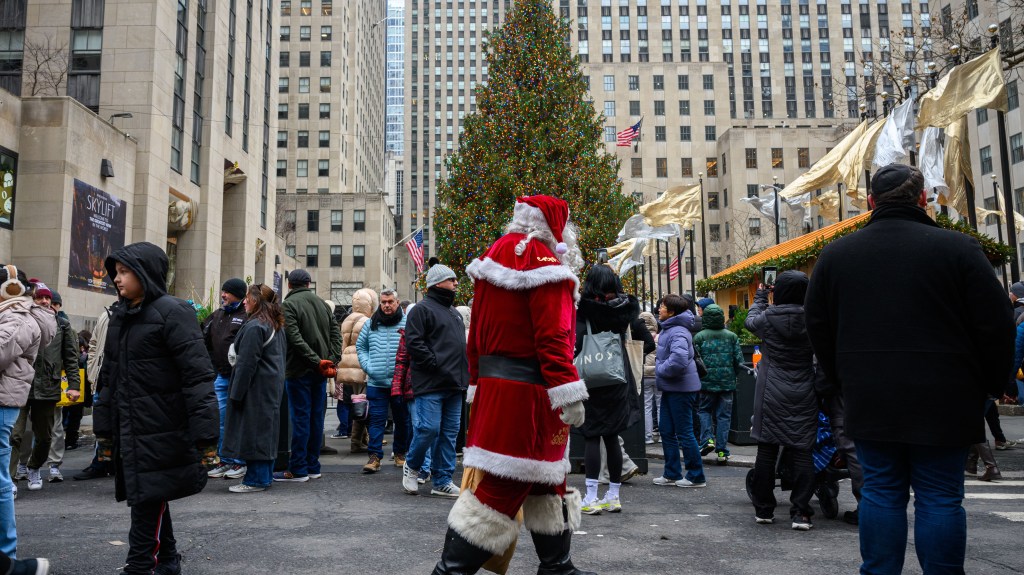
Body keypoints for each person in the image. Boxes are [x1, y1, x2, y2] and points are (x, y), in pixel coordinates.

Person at [805, 164, 1014, 573]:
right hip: (948, 392)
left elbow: (819, 327)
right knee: (940, 496)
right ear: (922, 199)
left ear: (870, 202)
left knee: (882, 491)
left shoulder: (838, 254)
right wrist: (990, 384)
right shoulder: (958, 249)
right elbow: (996, 324)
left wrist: (841, 379)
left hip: (870, 391)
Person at [430, 194, 593, 575]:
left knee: (546, 482)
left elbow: (478, 336)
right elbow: (553, 339)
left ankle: (558, 566)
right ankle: (450, 570)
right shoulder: (547, 266)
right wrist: (568, 390)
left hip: (497, 389)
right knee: (504, 485)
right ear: (556, 226)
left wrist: (476, 381)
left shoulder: (495, 257)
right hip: (532, 395)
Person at [94, 242, 220, 575]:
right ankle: (167, 561)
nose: (117, 280)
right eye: (116, 273)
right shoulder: (120, 315)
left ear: (145, 273)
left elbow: (197, 377)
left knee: (146, 498)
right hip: (131, 425)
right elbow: (109, 376)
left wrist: (206, 437)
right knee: (149, 492)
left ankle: (139, 567)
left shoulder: (173, 311)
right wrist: (104, 430)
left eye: (125, 272)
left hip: (163, 426)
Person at [744, 273, 819, 530]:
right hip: (804, 390)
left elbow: (750, 320)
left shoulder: (767, 318)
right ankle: (801, 513)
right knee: (802, 450)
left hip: (770, 392)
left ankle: (764, 508)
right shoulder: (814, 318)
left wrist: (761, 295)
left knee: (766, 450)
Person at [574, 264, 643, 515]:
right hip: (618, 375)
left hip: (592, 377)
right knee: (612, 436)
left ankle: (591, 496)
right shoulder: (624, 308)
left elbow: (577, 341)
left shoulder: (584, 309)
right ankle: (613, 495)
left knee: (592, 435)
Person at [0, 265, 56, 565]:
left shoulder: (17, 316)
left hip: (4, 402)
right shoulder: (14, 313)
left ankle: (6, 557)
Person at [401, 263, 468, 498]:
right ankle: (412, 466)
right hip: (431, 383)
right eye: (452, 280)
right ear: (438, 283)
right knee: (428, 429)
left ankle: (442, 480)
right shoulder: (421, 310)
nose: (456, 283)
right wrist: (434, 363)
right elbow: (414, 343)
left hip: (454, 383)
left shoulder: (455, 314)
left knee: (450, 433)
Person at [10, 280, 79, 490]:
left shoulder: (62, 324)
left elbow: (71, 357)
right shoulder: (20, 319)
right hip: (20, 385)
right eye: (40, 297)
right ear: (31, 299)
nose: (44, 301)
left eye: (47, 297)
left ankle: (33, 467)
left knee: (45, 437)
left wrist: (74, 384)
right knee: (14, 435)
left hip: (48, 386)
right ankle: (9, 480)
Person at [275, 269, 342, 483]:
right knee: (315, 419)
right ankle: (312, 466)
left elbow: (294, 338)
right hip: (319, 371)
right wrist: (329, 360)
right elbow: (335, 334)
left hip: (299, 370)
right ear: (308, 283)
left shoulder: (288, 305)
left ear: (289, 285)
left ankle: (298, 469)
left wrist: (318, 361)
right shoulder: (322, 304)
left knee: (301, 419)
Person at [222, 284, 286, 493]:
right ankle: (262, 477)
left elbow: (246, 364)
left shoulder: (255, 326)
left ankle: (255, 480)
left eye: (248, 298)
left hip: (255, 388)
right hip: (270, 387)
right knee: (265, 433)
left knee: (254, 433)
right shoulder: (274, 324)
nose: (244, 301)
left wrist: (236, 393)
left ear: (256, 300)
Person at [653, 294, 707, 488]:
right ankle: (672, 473)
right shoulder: (672, 329)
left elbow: (678, 360)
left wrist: (659, 370)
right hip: (673, 387)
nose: (659, 309)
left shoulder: (677, 331)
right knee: (667, 430)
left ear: (672, 312)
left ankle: (696, 475)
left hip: (681, 389)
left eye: (663, 306)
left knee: (684, 432)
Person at [356, 288, 407, 473]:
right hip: (376, 382)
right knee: (376, 421)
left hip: (399, 383)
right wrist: (369, 367)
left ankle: (400, 453)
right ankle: (375, 457)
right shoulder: (371, 324)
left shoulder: (406, 322)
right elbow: (360, 347)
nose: (386, 305)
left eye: (390, 302)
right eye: (383, 302)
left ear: (397, 302)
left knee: (402, 420)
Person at [203, 278, 249, 480]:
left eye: (227, 292)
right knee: (220, 420)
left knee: (238, 420)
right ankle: (224, 460)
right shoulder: (218, 315)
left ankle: (239, 462)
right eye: (222, 291)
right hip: (221, 376)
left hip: (238, 378)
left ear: (238, 294)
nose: (223, 295)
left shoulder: (246, 316)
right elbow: (202, 338)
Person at [694, 303, 743, 466]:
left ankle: (707, 439)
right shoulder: (731, 336)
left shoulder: (699, 337)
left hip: (706, 382)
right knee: (724, 416)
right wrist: (732, 374)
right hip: (727, 383)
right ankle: (722, 450)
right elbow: (739, 361)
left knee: (704, 411)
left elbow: (695, 361)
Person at [73, 306, 115, 481]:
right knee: (103, 427)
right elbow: (94, 345)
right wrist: (92, 373)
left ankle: (114, 463)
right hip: (102, 382)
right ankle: (102, 462)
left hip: (125, 382)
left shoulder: (142, 313)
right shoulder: (106, 315)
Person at [337, 288, 377, 454]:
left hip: (347, 364)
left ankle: (361, 440)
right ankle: (356, 441)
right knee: (362, 402)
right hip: (361, 364)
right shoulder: (367, 321)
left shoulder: (346, 320)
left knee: (356, 401)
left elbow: (342, 344)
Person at [640, 311, 662, 445]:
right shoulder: (660, 337)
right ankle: (662, 436)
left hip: (645, 374)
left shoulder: (638, 337)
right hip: (659, 374)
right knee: (661, 406)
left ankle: (647, 436)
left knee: (646, 406)